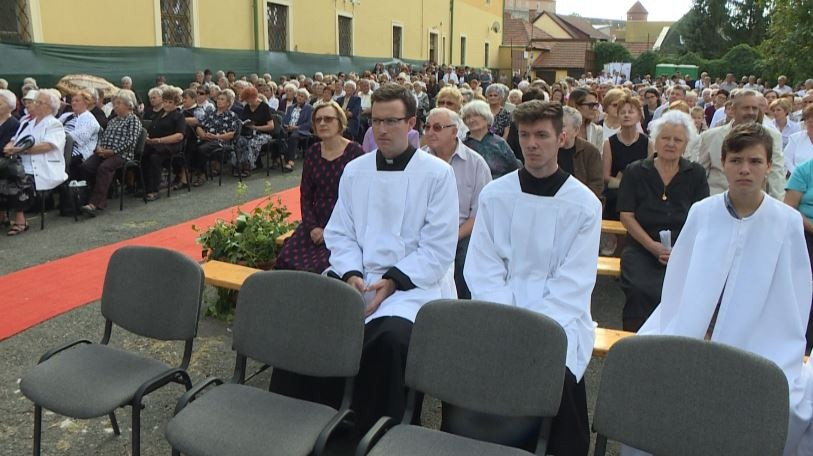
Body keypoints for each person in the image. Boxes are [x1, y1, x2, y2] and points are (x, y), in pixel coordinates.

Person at [624, 123, 813, 456]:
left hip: (760, 338)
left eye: (755, 161)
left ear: (769, 165)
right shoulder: (703, 212)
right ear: (723, 163)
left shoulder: (786, 221)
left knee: (784, 401)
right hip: (696, 331)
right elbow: (681, 280)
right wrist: (695, 326)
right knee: (650, 377)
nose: (745, 169)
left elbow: (793, 294)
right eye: (736, 160)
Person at [464, 101, 601, 456]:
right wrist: (509, 319)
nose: (532, 144)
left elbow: (575, 281)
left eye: (542, 135)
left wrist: (534, 330)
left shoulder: (584, 204)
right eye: (525, 135)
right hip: (500, 311)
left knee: (558, 375)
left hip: (560, 318)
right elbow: (482, 267)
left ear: (562, 139)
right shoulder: (495, 194)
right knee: (479, 374)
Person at [323, 84, 458, 431]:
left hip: (413, 285)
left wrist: (393, 281)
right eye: (376, 121)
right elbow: (340, 232)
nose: (381, 129)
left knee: (390, 340)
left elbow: (438, 247)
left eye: (391, 121)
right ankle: (323, 423)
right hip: (359, 278)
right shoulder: (356, 170)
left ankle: (380, 432)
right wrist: (351, 272)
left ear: (411, 123)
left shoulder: (437, 174)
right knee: (318, 322)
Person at [617, 110, 709, 332]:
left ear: (685, 144)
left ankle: (674, 343)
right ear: (655, 140)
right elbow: (626, 215)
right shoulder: (636, 171)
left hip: (682, 249)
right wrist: (653, 246)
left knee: (685, 292)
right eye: (665, 138)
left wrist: (680, 250)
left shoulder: (695, 173)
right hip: (642, 247)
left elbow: (701, 217)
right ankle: (635, 343)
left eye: (678, 140)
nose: (671, 144)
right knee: (639, 290)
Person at [275, 101, 363, 273]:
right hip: (315, 220)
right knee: (286, 258)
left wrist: (331, 231)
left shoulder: (355, 153)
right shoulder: (313, 152)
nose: (322, 123)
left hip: (343, 222)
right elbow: (306, 195)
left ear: (340, 122)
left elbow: (361, 199)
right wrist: (312, 227)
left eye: (328, 119)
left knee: (322, 266)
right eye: (318, 120)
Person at [421, 107, 491, 299]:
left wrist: (452, 237)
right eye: (427, 127)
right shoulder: (418, 161)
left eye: (437, 127)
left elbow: (480, 214)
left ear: (454, 131)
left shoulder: (475, 164)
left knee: (467, 259)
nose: (430, 132)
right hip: (423, 232)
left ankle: (462, 308)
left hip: (462, 233)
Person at [696, 89, 786, 199]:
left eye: (754, 108)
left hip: (754, 202)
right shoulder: (710, 137)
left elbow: (776, 175)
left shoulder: (771, 137)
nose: (751, 112)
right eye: (746, 108)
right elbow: (700, 175)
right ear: (733, 110)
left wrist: (777, 204)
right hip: (716, 200)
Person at [1, 89, 67, 235]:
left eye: (39, 102)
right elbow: (15, 139)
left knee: (14, 178)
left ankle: (21, 221)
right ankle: (2, 215)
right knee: (4, 174)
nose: (34, 104)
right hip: (22, 164)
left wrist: (20, 150)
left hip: (42, 167)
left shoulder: (54, 124)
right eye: (35, 101)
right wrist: (11, 145)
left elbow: (47, 146)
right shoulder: (27, 122)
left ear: (49, 107)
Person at [78, 90, 141, 217]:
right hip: (105, 152)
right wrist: (99, 148)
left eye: (119, 103)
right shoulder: (112, 120)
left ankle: (95, 203)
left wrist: (112, 151)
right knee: (86, 166)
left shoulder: (133, 120)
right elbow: (103, 136)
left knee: (104, 168)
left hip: (122, 154)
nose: (115, 106)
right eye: (114, 104)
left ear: (128, 105)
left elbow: (131, 141)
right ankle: (94, 196)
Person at [603, 94, 653, 221]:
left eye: (630, 112)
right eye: (622, 112)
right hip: (616, 196)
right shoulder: (609, 143)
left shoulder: (647, 143)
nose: (626, 115)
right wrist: (625, 184)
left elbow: (652, 173)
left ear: (638, 116)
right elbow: (605, 176)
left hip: (641, 197)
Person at [140, 86, 185, 201]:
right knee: (142, 155)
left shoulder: (178, 116)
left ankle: (154, 190)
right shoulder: (160, 114)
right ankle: (145, 187)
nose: (167, 104)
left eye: (170, 102)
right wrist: (148, 138)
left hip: (171, 145)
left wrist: (160, 140)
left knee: (155, 157)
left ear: (175, 103)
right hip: (155, 143)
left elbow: (179, 136)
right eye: (165, 101)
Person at [461, 100, 520, 179]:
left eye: (476, 115)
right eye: (468, 117)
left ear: (486, 118)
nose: (471, 120)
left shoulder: (499, 143)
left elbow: (514, 168)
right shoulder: (462, 146)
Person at [193, 91, 240, 185]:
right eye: (218, 99)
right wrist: (203, 134)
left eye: (222, 99)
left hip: (221, 141)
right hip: (207, 138)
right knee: (191, 146)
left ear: (228, 103)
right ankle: (192, 174)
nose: (219, 101)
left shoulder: (231, 115)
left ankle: (202, 175)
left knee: (202, 149)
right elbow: (199, 125)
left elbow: (231, 134)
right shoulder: (211, 113)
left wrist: (216, 136)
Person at [560, 106, 604, 198]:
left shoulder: (590, 152)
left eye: (562, 126)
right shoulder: (549, 148)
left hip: (581, 200)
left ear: (576, 130)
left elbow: (597, 184)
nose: (557, 129)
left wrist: (577, 197)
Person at [59, 90, 100, 179]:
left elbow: (79, 138)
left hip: (76, 150)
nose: (73, 103)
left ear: (86, 103)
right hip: (60, 144)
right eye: (72, 101)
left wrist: (58, 136)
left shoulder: (89, 119)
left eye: (77, 101)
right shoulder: (66, 116)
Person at [235, 86, 274, 177]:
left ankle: (248, 165)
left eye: (249, 99)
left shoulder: (264, 107)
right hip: (248, 133)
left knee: (253, 143)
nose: (248, 102)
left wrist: (255, 127)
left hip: (263, 133)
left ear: (254, 97)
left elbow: (271, 126)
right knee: (239, 141)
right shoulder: (247, 107)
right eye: (246, 100)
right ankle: (239, 164)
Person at [281, 88, 313, 172]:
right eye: (298, 95)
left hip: (301, 130)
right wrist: (286, 126)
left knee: (294, 136)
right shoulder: (291, 107)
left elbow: (308, 123)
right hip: (288, 128)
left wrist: (296, 127)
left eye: (302, 96)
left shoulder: (309, 108)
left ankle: (290, 162)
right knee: (279, 135)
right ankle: (279, 159)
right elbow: (285, 120)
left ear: (306, 99)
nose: (299, 97)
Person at [784, 104, 813, 175]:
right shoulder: (795, 138)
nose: (812, 125)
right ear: (805, 122)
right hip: (798, 177)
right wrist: (797, 174)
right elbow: (786, 159)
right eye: (810, 122)